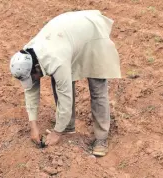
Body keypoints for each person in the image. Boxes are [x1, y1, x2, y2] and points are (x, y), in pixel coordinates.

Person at [10, 10, 121, 156]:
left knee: (97, 87)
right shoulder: (26, 57)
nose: (34, 80)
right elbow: (31, 91)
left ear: (36, 67)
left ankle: (101, 138)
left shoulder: (56, 60)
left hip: (92, 34)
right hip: (67, 37)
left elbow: (65, 97)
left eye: (33, 77)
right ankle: (67, 127)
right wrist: (33, 126)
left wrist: (56, 133)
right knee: (57, 80)